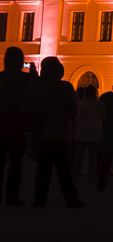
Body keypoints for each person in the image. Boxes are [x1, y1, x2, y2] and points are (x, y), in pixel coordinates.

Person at [24, 57, 84, 208]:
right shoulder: (66, 87)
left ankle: (40, 200)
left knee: (43, 168)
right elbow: (74, 110)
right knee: (64, 169)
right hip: (61, 133)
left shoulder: (35, 85)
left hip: (40, 133)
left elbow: (28, 106)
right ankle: (71, 200)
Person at [0, 47, 33, 206]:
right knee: (15, 164)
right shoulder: (25, 80)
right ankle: (12, 196)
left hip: (1, 126)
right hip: (18, 127)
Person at [72, 84, 105, 183]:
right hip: (94, 133)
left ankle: (76, 175)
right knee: (92, 157)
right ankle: (92, 176)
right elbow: (103, 117)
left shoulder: (80, 103)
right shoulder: (99, 104)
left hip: (80, 132)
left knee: (79, 156)